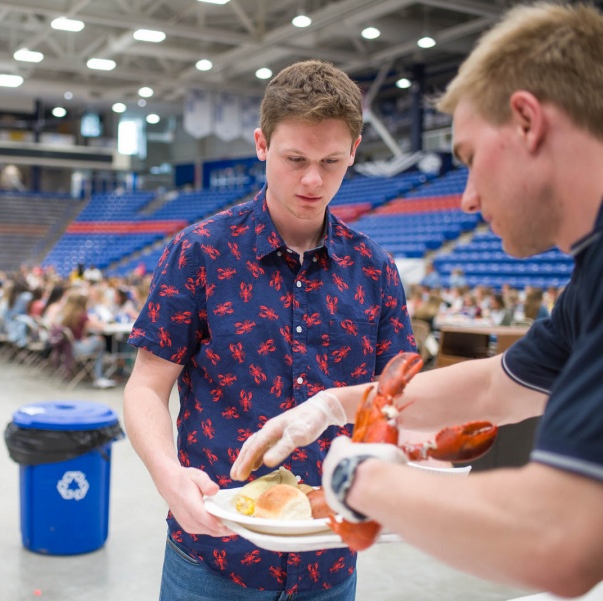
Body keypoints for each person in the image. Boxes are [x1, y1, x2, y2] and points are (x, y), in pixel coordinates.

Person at [230, 4, 603, 597]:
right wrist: (332, 406)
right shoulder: (590, 279)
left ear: (527, 122)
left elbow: (556, 538)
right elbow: (493, 389)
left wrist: (364, 478)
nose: (468, 199)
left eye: (470, 159)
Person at [123, 59, 415, 599]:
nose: (312, 180)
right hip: (213, 553)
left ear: (354, 151)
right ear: (262, 144)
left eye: (331, 161)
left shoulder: (375, 269)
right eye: (295, 159)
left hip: (330, 558)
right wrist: (166, 472)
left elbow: (395, 398)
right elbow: (146, 384)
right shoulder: (200, 252)